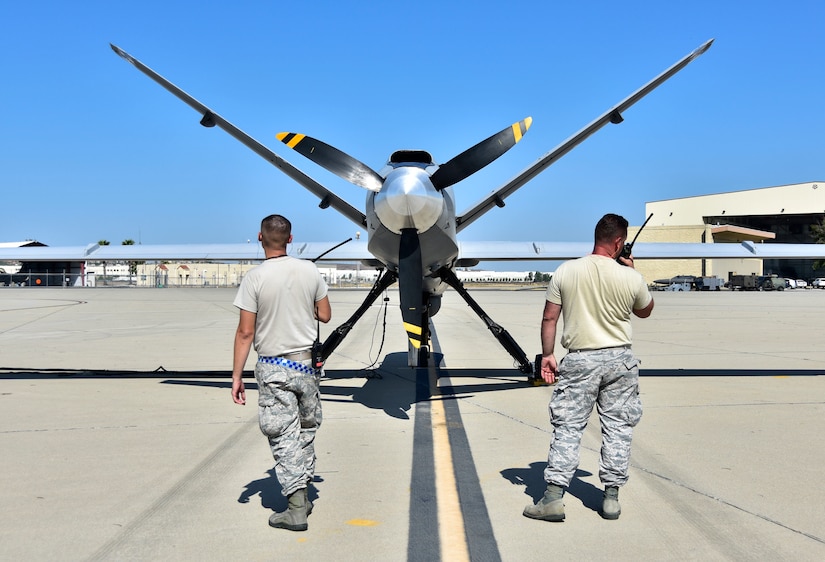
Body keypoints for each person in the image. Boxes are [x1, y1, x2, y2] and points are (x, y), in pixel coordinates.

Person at [524, 213, 654, 522]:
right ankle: (611, 498)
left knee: (568, 427)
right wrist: (633, 271)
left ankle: (553, 499)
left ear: (597, 237)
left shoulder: (567, 271)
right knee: (618, 429)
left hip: (581, 359)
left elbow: (550, 318)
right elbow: (645, 311)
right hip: (620, 360)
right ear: (620, 243)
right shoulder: (630, 277)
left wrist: (547, 355)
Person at [231, 214, 332, 532]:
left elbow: (246, 332)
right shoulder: (310, 270)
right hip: (306, 367)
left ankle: (296, 508)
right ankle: (305, 495)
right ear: (290, 239)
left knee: (283, 436)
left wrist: (236, 376)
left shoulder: (255, 278)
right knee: (305, 432)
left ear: (260, 238)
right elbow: (325, 315)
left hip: (275, 368)